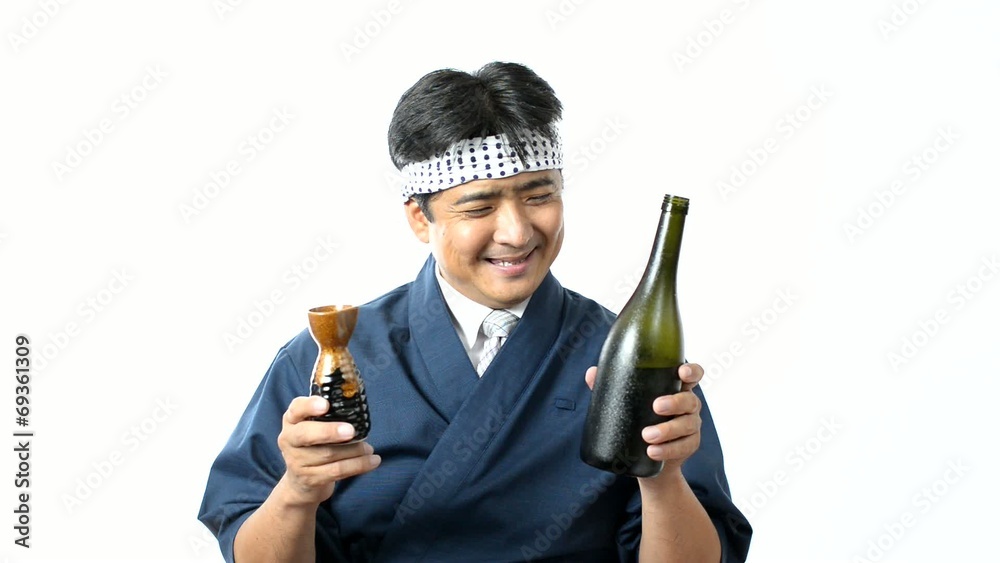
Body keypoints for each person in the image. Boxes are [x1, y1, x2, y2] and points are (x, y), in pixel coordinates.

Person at [198, 61, 752, 562]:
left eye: (539, 196)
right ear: (420, 219)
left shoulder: (626, 357)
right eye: (480, 206)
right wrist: (296, 492)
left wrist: (662, 475)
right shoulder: (332, 357)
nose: (516, 232)